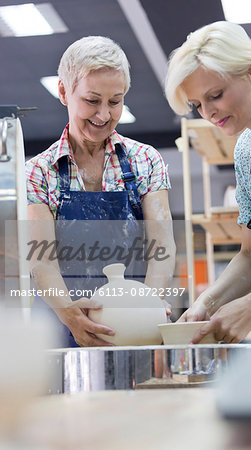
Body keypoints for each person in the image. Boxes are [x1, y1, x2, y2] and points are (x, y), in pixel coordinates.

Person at [26, 36, 176, 347]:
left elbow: (162, 245)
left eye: (115, 101)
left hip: (135, 331)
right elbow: (42, 261)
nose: (104, 115)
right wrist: (72, 318)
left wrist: (147, 307)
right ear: (64, 92)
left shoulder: (145, 160)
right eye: (92, 101)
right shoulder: (40, 172)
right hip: (63, 330)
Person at [165, 21, 251, 343]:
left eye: (216, 95)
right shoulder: (245, 152)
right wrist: (205, 304)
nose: (208, 112)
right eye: (198, 105)